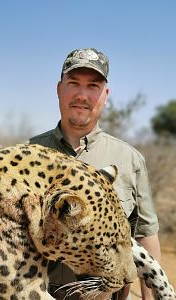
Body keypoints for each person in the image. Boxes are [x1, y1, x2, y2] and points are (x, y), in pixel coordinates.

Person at [29, 48, 161, 300]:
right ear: (59, 89)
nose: (82, 94)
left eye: (92, 85)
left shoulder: (129, 159)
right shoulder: (30, 154)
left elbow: (145, 236)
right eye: (74, 83)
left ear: (105, 94)